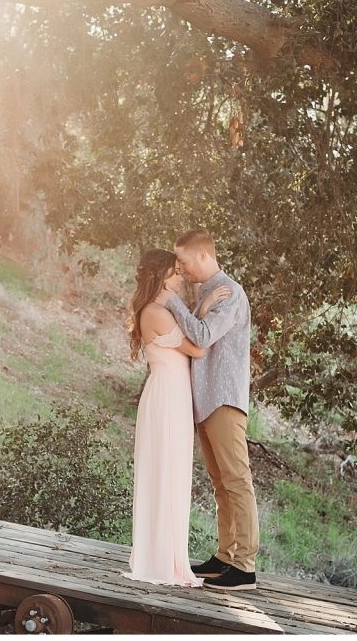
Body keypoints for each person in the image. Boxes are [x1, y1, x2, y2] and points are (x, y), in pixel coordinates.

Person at [155, 229, 259, 592]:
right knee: (220, 483)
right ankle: (226, 555)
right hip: (206, 400)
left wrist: (172, 302)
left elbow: (200, 337)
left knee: (236, 480)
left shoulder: (229, 293)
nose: (180, 270)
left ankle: (244, 565)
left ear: (202, 255)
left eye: (183, 261)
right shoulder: (206, 294)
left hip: (223, 398)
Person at [123, 248, 230, 587]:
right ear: (161, 276)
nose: (180, 277)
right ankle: (160, 563)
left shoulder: (161, 309)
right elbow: (198, 346)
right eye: (174, 271)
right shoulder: (155, 311)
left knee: (173, 474)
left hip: (174, 396)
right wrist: (209, 306)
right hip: (166, 398)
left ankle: (168, 557)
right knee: (165, 474)